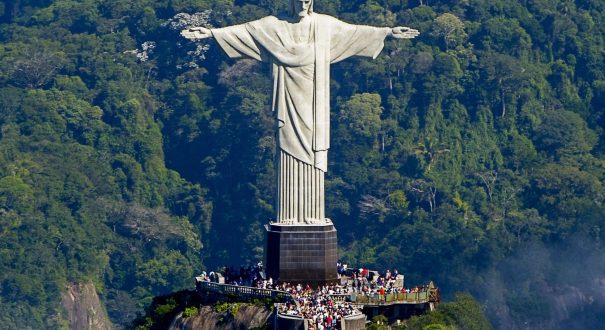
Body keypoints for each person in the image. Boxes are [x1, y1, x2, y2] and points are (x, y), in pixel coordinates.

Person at [182, 0, 419, 224]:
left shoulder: (325, 25)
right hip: (288, 99)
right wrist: (212, 33)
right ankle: (289, 216)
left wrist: (387, 32)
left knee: (314, 152)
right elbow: (245, 31)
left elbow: (355, 32)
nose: (302, 5)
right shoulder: (274, 26)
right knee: (287, 147)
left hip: (315, 104)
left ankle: (313, 216)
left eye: (307, 1)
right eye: (298, 0)